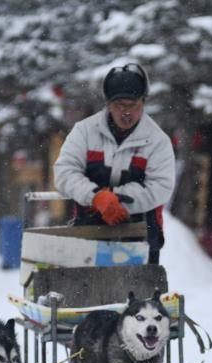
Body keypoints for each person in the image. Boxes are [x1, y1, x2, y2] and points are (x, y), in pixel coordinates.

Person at [54, 63, 175, 264]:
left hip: (142, 235)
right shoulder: (84, 132)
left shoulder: (157, 141)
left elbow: (161, 187)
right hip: (88, 232)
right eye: (120, 105)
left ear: (143, 103)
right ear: (108, 104)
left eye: (133, 105)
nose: (126, 112)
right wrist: (96, 197)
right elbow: (64, 173)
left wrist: (117, 200)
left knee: (139, 294)